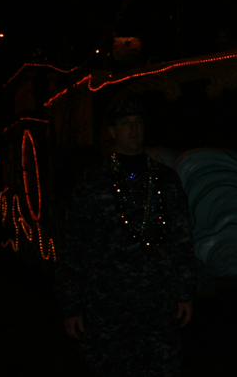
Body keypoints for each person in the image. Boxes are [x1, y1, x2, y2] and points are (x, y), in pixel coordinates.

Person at [56, 97, 196, 376]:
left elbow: (181, 238)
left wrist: (185, 293)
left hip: (157, 302)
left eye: (138, 122)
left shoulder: (165, 179)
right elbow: (74, 245)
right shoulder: (93, 182)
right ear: (112, 132)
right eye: (125, 123)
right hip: (108, 306)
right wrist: (72, 305)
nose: (133, 129)